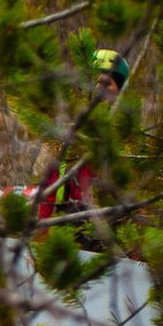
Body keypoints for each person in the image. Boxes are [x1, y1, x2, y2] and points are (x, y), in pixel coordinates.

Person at [36, 47, 130, 224]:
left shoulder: (124, 138)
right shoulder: (67, 133)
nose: (97, 89)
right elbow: (47, 191)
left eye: (105, 83)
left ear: (119, 91)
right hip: (65, 225)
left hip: (106, 229)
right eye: (92, 83)